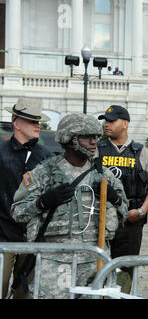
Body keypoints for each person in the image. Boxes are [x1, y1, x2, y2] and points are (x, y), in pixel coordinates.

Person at [11, 113, 128, 299]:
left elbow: (124, 212)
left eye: (96, 137)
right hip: (54, 262)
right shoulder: (44, 173)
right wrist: (42, 202)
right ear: (68, 139)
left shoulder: (103, 175)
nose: (93, 142)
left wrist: (115, 199)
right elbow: (17, 211)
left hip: (95, 262)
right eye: (86, 137)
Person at [97, 105, 148, 293]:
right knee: (96, 267)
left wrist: (141, 211)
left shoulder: (139, 152)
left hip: (130, 223)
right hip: (100, 221)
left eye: (112, 121)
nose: (107, 125)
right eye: (106, 121)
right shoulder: (98, 149)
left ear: (125, 124)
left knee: (124, 270)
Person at [0, 98, 53, 299]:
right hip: (3, 236)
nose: (38, 125)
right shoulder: (1, 153)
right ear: (16, 123)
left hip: (32, 237)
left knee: (24, 294)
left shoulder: (45, 156)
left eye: (38, 121)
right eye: (32, 121)